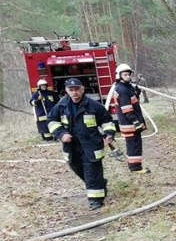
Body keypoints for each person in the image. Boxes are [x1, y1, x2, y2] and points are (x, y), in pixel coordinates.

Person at [47, 77, 116, 210]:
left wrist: (109, 134)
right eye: (71, 90)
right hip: (71, 146)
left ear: (82, 89)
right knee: (76, 167)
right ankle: (99, 183)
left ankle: (95, 200)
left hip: (91, 145)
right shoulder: (61, 106)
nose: (74, 92)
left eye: (77, 89)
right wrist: (61, 134)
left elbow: (107, 121)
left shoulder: (94, 105)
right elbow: (51, 120)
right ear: (66, 90)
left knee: (91, 171)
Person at [112, 63, 151, 174]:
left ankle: (133, 166)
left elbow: (132, 101)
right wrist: (136, 122)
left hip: (129, 124)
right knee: (134, 146)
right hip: (130, 124)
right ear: (119, 75)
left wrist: (136, 93)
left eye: (129, 74)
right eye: (125, 75)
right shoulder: (122, 89)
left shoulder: (125, 87)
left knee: (132, 145)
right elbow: (127, 109)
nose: (128, 76)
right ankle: (135, 168)